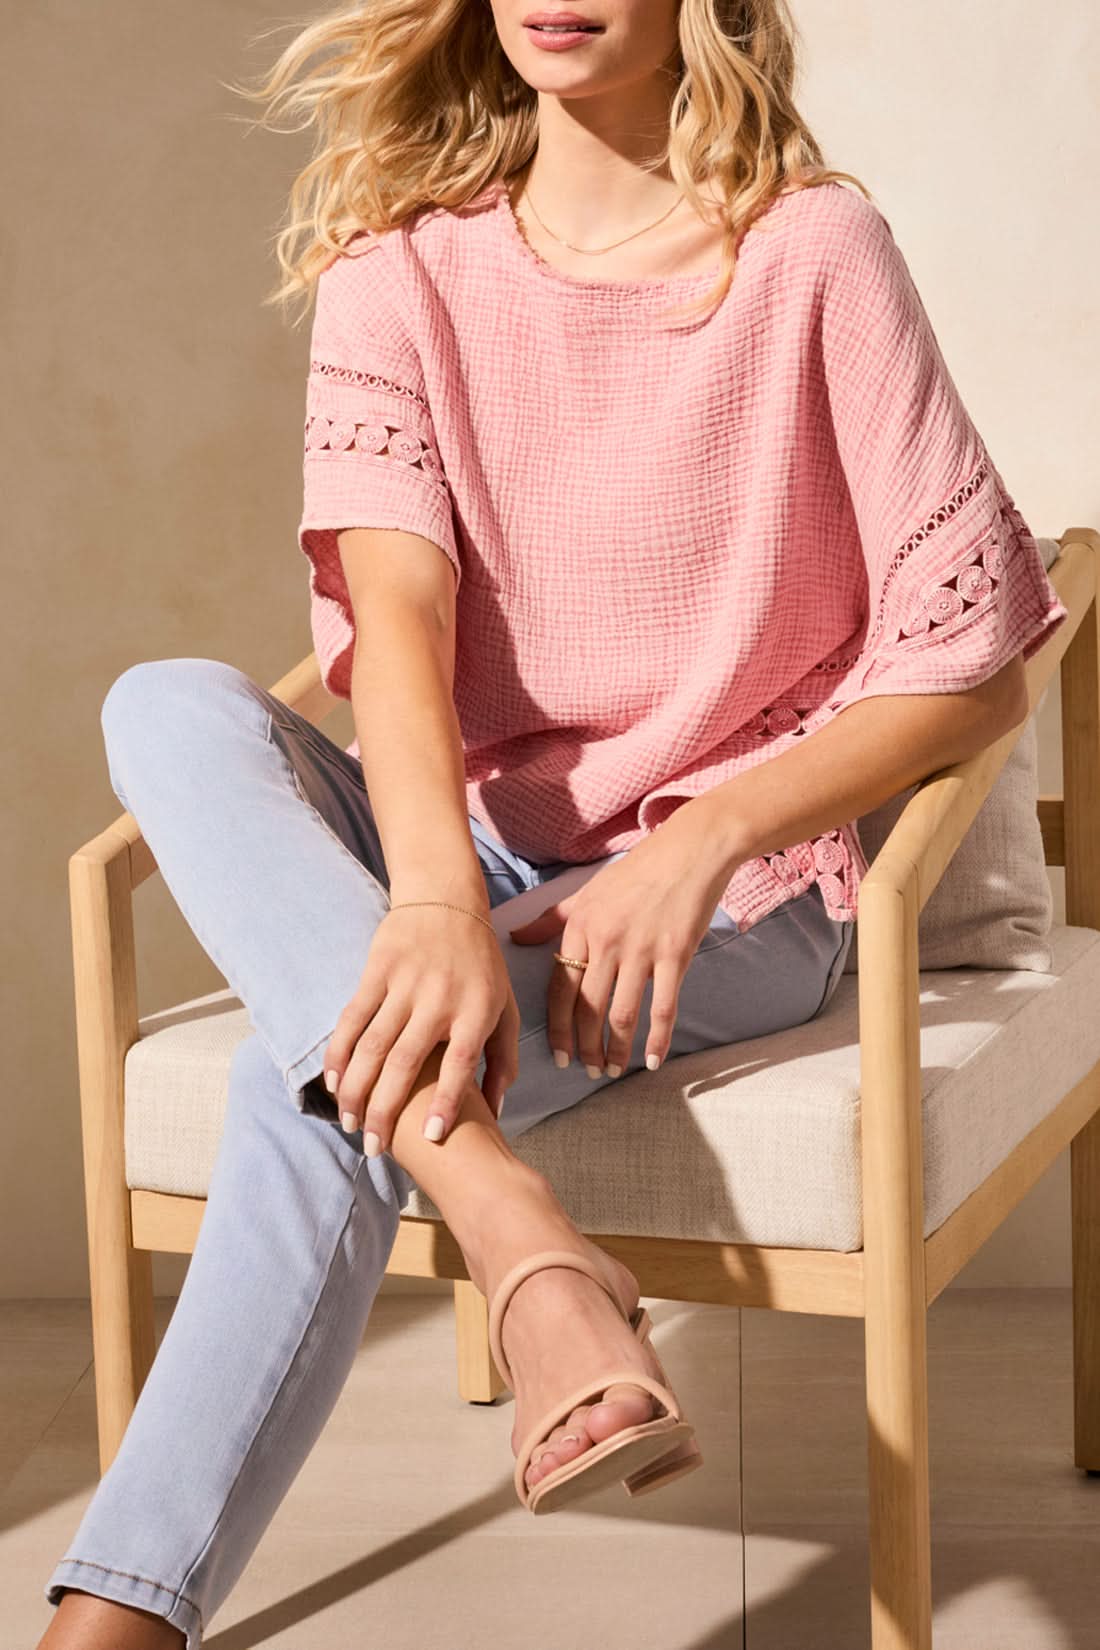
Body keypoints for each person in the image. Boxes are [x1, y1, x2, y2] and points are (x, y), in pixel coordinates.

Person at [38, 1, 1067, 1645]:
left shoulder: (815, 255)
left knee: (304, 1071)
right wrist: (436, 901)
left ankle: (113, 1622)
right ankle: (534, 1246)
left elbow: (977, 672)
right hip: (468, 852)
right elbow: (399, 611)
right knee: (165, 701)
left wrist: (698, 837)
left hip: (730, 898)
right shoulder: (401, 267)